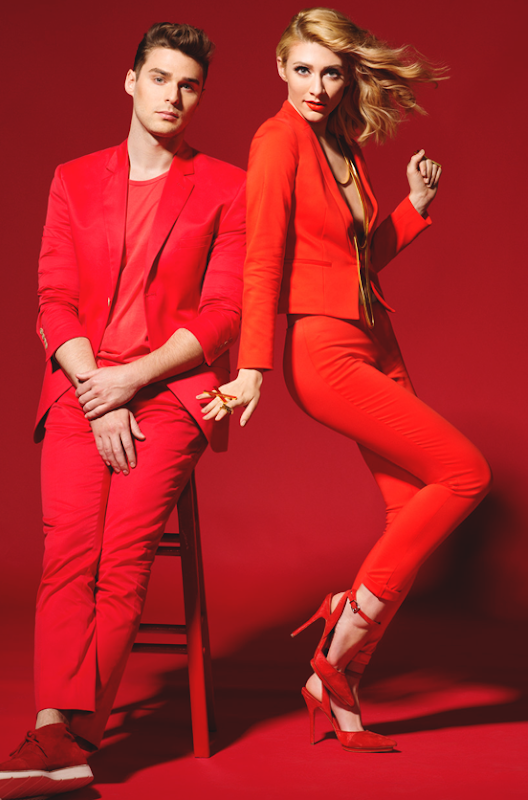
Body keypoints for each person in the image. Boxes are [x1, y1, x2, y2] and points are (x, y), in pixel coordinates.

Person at [200, 7, 491, 752]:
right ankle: (339, 636)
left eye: (331, 72)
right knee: (466, 474)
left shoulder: (342, 144)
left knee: (408, 514)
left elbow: (354, 264)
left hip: (374, 338)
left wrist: (412, 209)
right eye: (303, 69)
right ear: (280, 68)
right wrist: (254, 367)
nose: (317, 86)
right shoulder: (276, 142)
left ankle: (339, 682)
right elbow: (264, 258)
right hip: (323, 351)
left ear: (346, 75)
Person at [0, 22, 245, 800]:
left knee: (121, 559)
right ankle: (56, 733)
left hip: (170, 393)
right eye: (160, 78)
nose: (173, 95)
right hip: (83, 386)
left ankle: (67, 738)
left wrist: (132, 382)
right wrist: (100, 390)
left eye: (188, 84)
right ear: (131, 81)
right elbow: (53, 299)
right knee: (68, 552)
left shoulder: (227, 187)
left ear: (200, 95)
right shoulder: (72, 179)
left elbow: (223, 316)